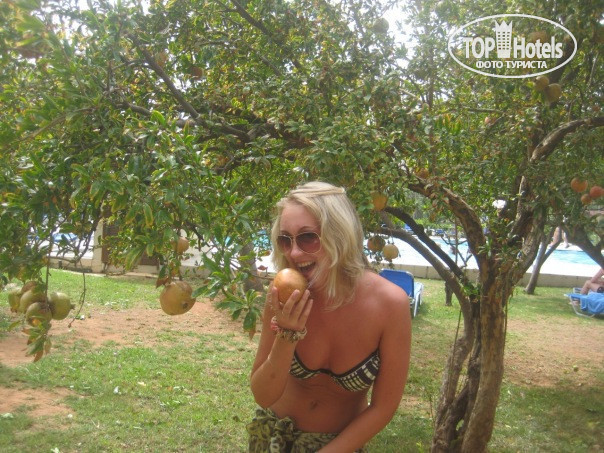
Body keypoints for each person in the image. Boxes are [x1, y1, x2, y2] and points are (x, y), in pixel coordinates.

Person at [247, 181, 412, 452]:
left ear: (340, 234)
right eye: (285, 240)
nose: (294, 253)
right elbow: (263, 395)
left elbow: (383, 407)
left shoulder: (390, 304)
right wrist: (287, 336)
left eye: (307, 237)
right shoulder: (284, 295)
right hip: (275, 439)